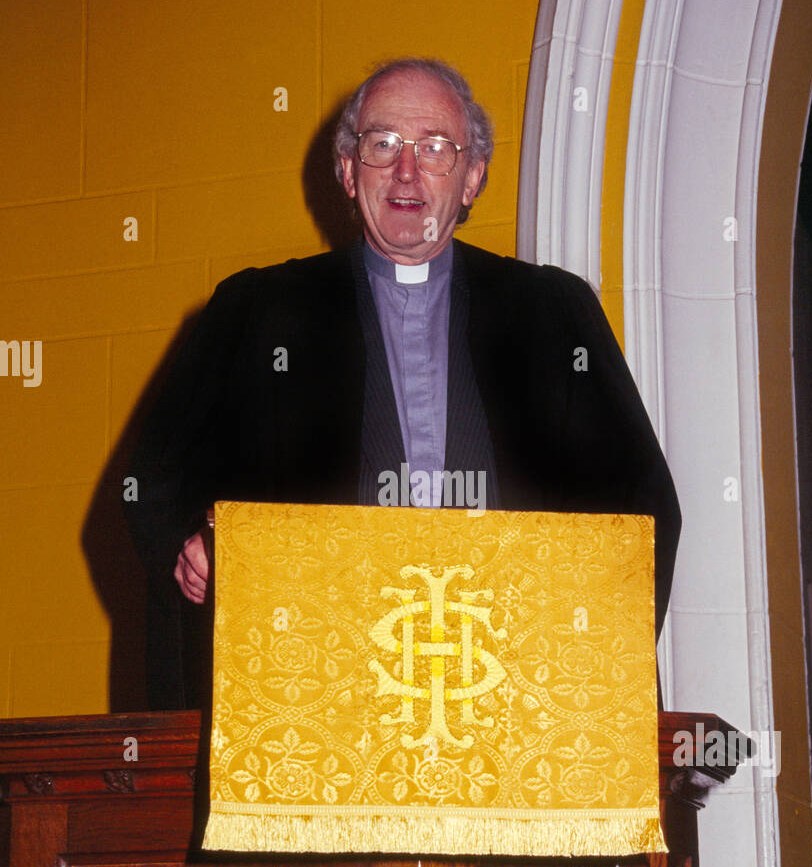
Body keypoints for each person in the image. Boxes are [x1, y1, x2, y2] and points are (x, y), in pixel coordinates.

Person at [126, 57, 681, 709]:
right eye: (382, 144)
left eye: (436, 148)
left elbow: (643, 506)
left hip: (515, 689)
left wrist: (585, 660)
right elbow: (153, 482)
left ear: (472, 177)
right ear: (346, 169)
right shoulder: (256, 310)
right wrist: (195, 543)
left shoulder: (553, 313)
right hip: (312, 695)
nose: (407, 171)